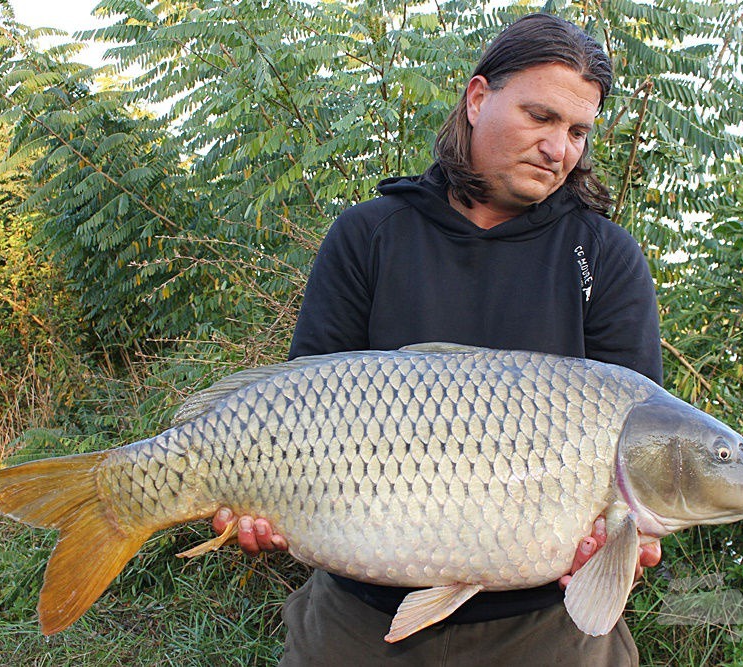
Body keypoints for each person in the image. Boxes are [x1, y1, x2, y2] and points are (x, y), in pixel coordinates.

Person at [212, 12, 663, 665]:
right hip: (358, 618)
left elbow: (637, 441)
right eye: (541, 117)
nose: (559, 148)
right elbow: (296, 405)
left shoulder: (606, 257)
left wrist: (623, 544)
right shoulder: (368, 234)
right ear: (478, 99)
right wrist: (262, 499)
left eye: (577, 131)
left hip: (546, 629)